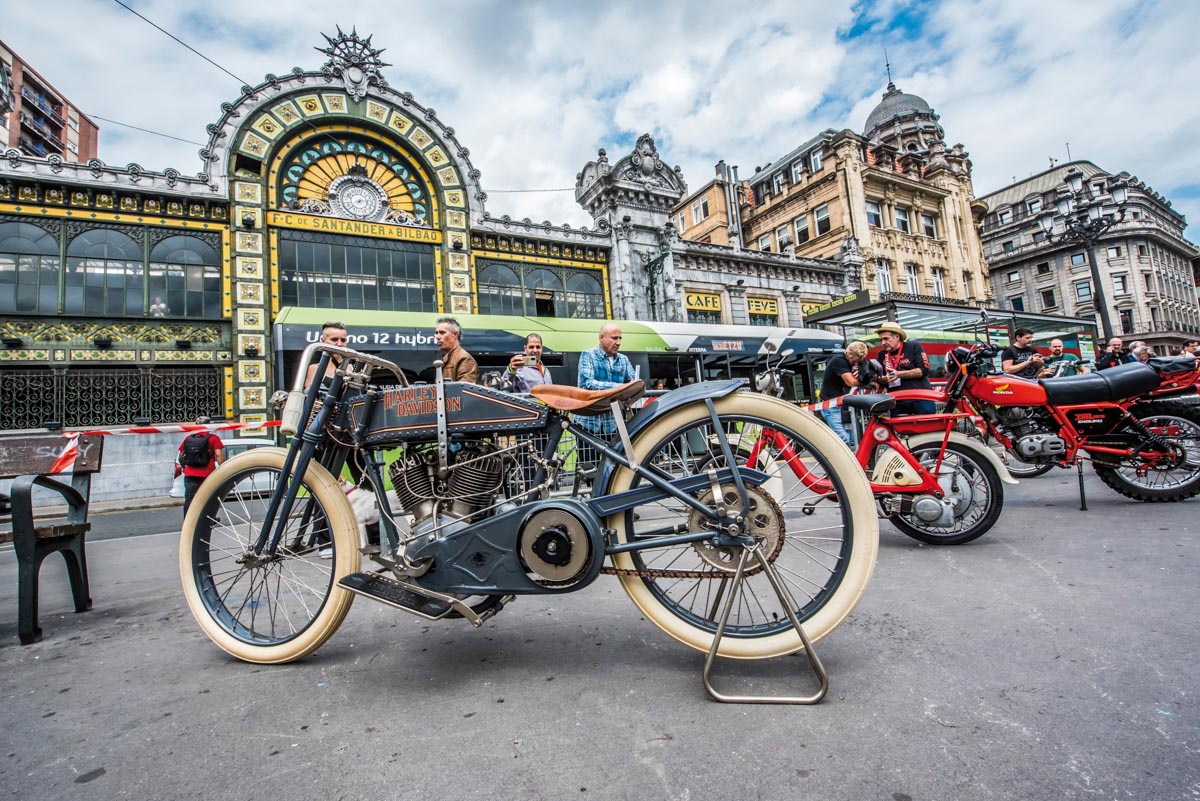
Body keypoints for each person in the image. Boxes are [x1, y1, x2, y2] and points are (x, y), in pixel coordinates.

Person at [575, 323, 637, 480]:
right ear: (601, 338)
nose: (618, 342)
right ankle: (591, 493)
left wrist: (631, 389)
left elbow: (632, 382)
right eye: (614, 338)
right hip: (588, 423)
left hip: (612, 423)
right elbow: (587, 384)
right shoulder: (588, 355)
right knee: (589, 468)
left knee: (612, 467)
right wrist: (621, 388)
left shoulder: (623, 359)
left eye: (620, 338)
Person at [876, 322, 934, 415]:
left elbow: (923, 370)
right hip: (897, 401)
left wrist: (898, 374)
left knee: (927, 423)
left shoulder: (913, 346)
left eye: (886, 339)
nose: (883, 343)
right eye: (881, 340)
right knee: (898, 425)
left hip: (920, 398)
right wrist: (884, 379)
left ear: (897, 337)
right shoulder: (881, 354)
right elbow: (879, 377)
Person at [820, 341, 869, 446]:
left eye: (858, 362)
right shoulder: (839, 360)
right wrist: (867, 381)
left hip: (844, 405)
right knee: (844, 439)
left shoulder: (854, 361)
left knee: (854, 437)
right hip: (831, 405)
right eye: (854, 361)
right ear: (848, 355)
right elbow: (851, 382)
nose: (856, 364)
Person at [177, 421, 224, 516]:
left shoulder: (188, 438)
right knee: (209, 498)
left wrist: (184, 467)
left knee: (190, 499)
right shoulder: (213, 438)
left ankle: (187, 521)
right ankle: (208, 519)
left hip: (190, 474)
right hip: (208, 474)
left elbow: (181, 455)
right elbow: (218, 454)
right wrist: (223, 467)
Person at [305, 321, 349, 389]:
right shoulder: (315, 369)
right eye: (334, 339)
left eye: (343, 340)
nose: (339, 344)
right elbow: (310, 394)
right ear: (323, 341)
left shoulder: (353, 369)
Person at [434, 316, 478, 383]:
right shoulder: (444, 359)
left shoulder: (465, 359)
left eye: (442, 332)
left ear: (455, 334)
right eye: (436, 333)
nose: (437, 337)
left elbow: (464, 388)